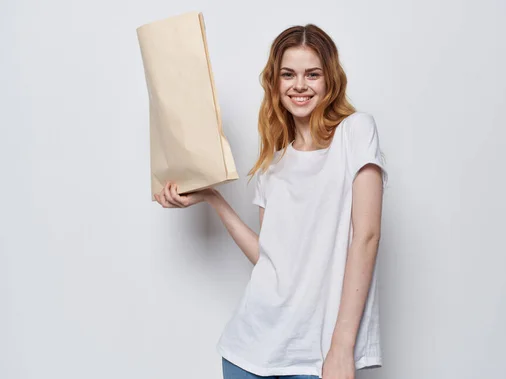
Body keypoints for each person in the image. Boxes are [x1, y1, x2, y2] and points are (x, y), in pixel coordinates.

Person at [154, 23, 388, 379]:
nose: (299, 85)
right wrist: (214, 199)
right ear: (275, 83)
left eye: (312, 74)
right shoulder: (273, 164)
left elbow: (367, 237)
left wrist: (341, 346)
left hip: (317, 355)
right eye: (288, 74)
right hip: (248, 347)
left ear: (331, 79)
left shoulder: (355, 132)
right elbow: (269, 258)